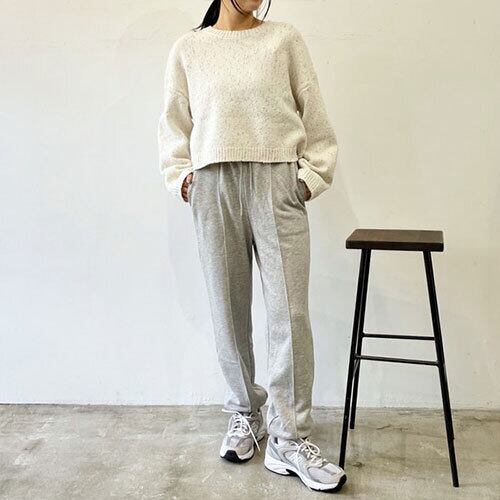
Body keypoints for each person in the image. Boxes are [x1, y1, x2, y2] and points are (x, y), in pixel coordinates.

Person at [158, 0, 346, 493]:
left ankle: (289, 438)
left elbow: (315, 115)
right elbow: (173, 124)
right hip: (213, 184)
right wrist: (183, 178)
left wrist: (308, 178)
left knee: (290, 314)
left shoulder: (283, 39)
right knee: (228, 309)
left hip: (276, 182)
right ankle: (245, 411)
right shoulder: (189, 49)